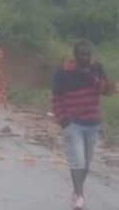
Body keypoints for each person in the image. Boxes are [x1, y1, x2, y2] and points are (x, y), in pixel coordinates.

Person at [52, 40, 115, 210]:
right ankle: (79, 195)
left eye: (88, 54)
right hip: (73, 123)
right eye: (82, 54)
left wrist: (90, 77)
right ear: (75, 55)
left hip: (92, 123)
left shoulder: (97, 69)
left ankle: (76, 190)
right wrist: (62, 119)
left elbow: (109, 90)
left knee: (87, 162)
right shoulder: (64, 71)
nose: (86, 57)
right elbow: (56, 96)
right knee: (77, 159)